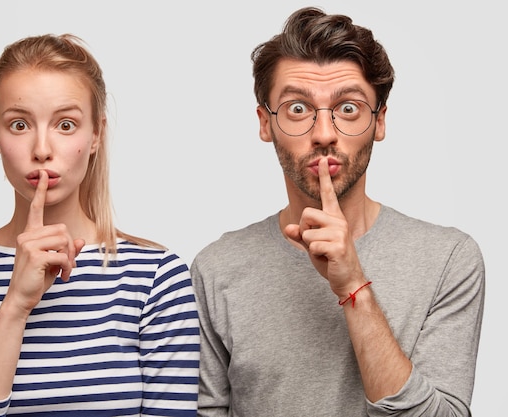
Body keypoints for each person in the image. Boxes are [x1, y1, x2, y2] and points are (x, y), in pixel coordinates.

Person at [191, 7, 485, 417]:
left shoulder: (449, 259)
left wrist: (353, 286)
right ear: (265, 123)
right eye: (298, 109)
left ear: (379, 121)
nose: (324, 134)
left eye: (348, 108)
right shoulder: (215, 268)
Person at [0, 34, 200, 417]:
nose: (42, 148)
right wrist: (15, 306)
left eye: (65, 124)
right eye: (20, 124)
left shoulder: (156, 276)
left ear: (96, 134)